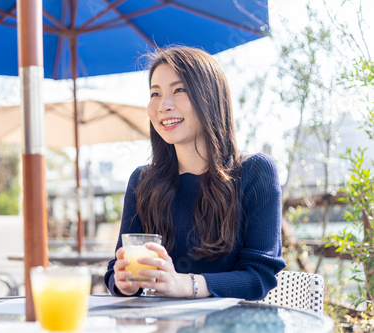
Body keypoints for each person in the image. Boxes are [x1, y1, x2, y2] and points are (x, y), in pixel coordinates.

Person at [104, 46, 286, 300]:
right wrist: (124, 282)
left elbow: (260, 276)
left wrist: (183, 284)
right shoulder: (142, 182)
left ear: (210, 97)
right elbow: (116, 270)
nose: (163, 105)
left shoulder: (255, 172)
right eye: (155, 93)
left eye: (179, 90)